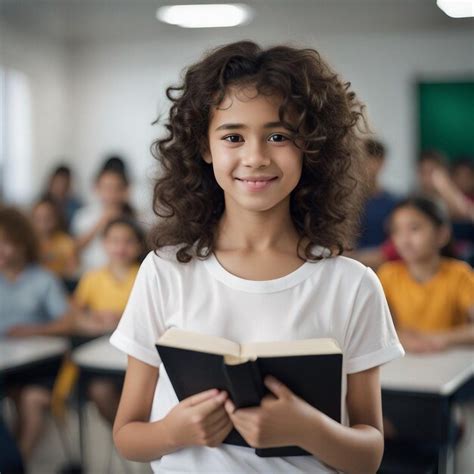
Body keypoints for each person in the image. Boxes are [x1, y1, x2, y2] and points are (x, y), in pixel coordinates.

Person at [109, 41, 405, 474]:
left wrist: (308, 429)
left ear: (311, 147)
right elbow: (127, 437)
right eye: (233, 136)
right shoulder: (165, 272)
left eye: (279, 136)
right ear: (205, 147)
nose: (255, 157)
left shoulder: (352, 284)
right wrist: (175, 431)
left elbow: (368, 455)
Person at [0, 206, 73, 461]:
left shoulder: (43, 279)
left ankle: (17, 464)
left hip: (41, 366)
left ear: (23, 244)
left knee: (29, 400)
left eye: (6, 244)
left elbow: (67, 323)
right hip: (6, 366)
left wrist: (32, 330)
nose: (1, 251)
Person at [377, 196, 474, 353]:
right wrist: (403, 338)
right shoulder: (388, 275)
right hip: (404, 364)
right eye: (396, 231)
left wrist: (441, 338)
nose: (404, 240)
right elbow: (377, 329)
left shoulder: (459, 274)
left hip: (451, 365)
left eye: (414, 229)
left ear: (442, 235)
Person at [71, 157, 135, 273]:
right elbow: (75, 247)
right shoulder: (84, 215)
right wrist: (102, 221)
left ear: (125, 190)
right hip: (91, 274)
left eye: (117, 188)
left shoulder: (136, 217)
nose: (111, 193)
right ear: (97, 188)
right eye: (107, 187)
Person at [347, 138, 400, 269]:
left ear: (380, 162)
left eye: (365, 159)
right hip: (350, 269)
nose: (360, 165)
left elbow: (399, 243)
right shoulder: (343, 202)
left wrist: (380, 256)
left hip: (387, 271)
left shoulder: (394, 203)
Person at [31, 196, 78, 279]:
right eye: (39, 218)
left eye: (48, 217)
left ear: (55, 218)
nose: (44, 222)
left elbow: (72, 269)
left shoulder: (65, 241)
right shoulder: (29, 242)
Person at [44, 164, 82, 231]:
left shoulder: (75, 207)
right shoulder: (42, 204)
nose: (61, 187)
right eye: (58, 182)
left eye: (64, 184)